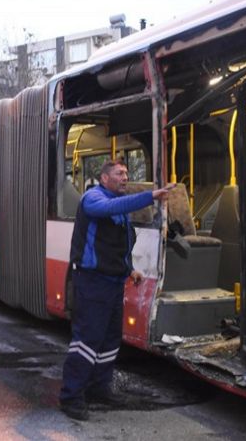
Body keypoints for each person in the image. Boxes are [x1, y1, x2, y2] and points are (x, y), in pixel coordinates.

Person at [59, 160, 172, 421]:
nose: (125, 177)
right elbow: (109, 208)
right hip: (91, 282)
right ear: (105, 177)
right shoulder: (93, 198)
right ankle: (70, 396)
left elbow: (117, 245)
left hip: (111, 283)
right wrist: (150, 196)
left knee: (109, 340)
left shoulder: (119, 208)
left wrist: (129, 269)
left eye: (126, 174)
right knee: (87, 340)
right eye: (120, 174)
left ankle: (99, 388)